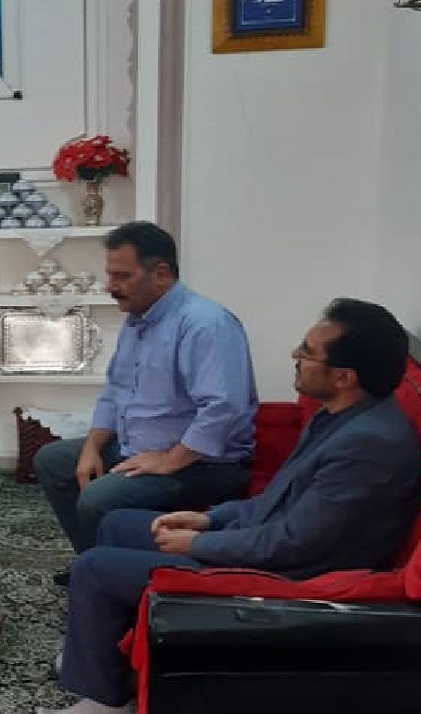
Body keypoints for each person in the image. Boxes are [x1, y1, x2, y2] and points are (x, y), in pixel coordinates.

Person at [36, 298, 421, 714]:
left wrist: (198, 545)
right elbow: (275, 501)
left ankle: (104, 708)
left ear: (344, 376)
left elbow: (292, 544)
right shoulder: (340, 417)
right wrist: (208, 521)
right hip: (272, 542)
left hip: (291, 576)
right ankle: (102, 657)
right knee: (117, 523)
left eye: (306, 350)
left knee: (95, 568)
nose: (294, 355)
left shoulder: (368, 445)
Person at [34, 222, 258, 582]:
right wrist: (92, 447)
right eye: (110, 275)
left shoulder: (205, 324)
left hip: (202, 464)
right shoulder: (138, 320)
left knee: (98, 498)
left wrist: (169, 460)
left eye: (122, 276)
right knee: (53, 460)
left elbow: (223, 408)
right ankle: (95, 562)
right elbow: (116, 390)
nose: (111, 287)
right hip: (139, 448)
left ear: (161, 274)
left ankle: (108, 576)